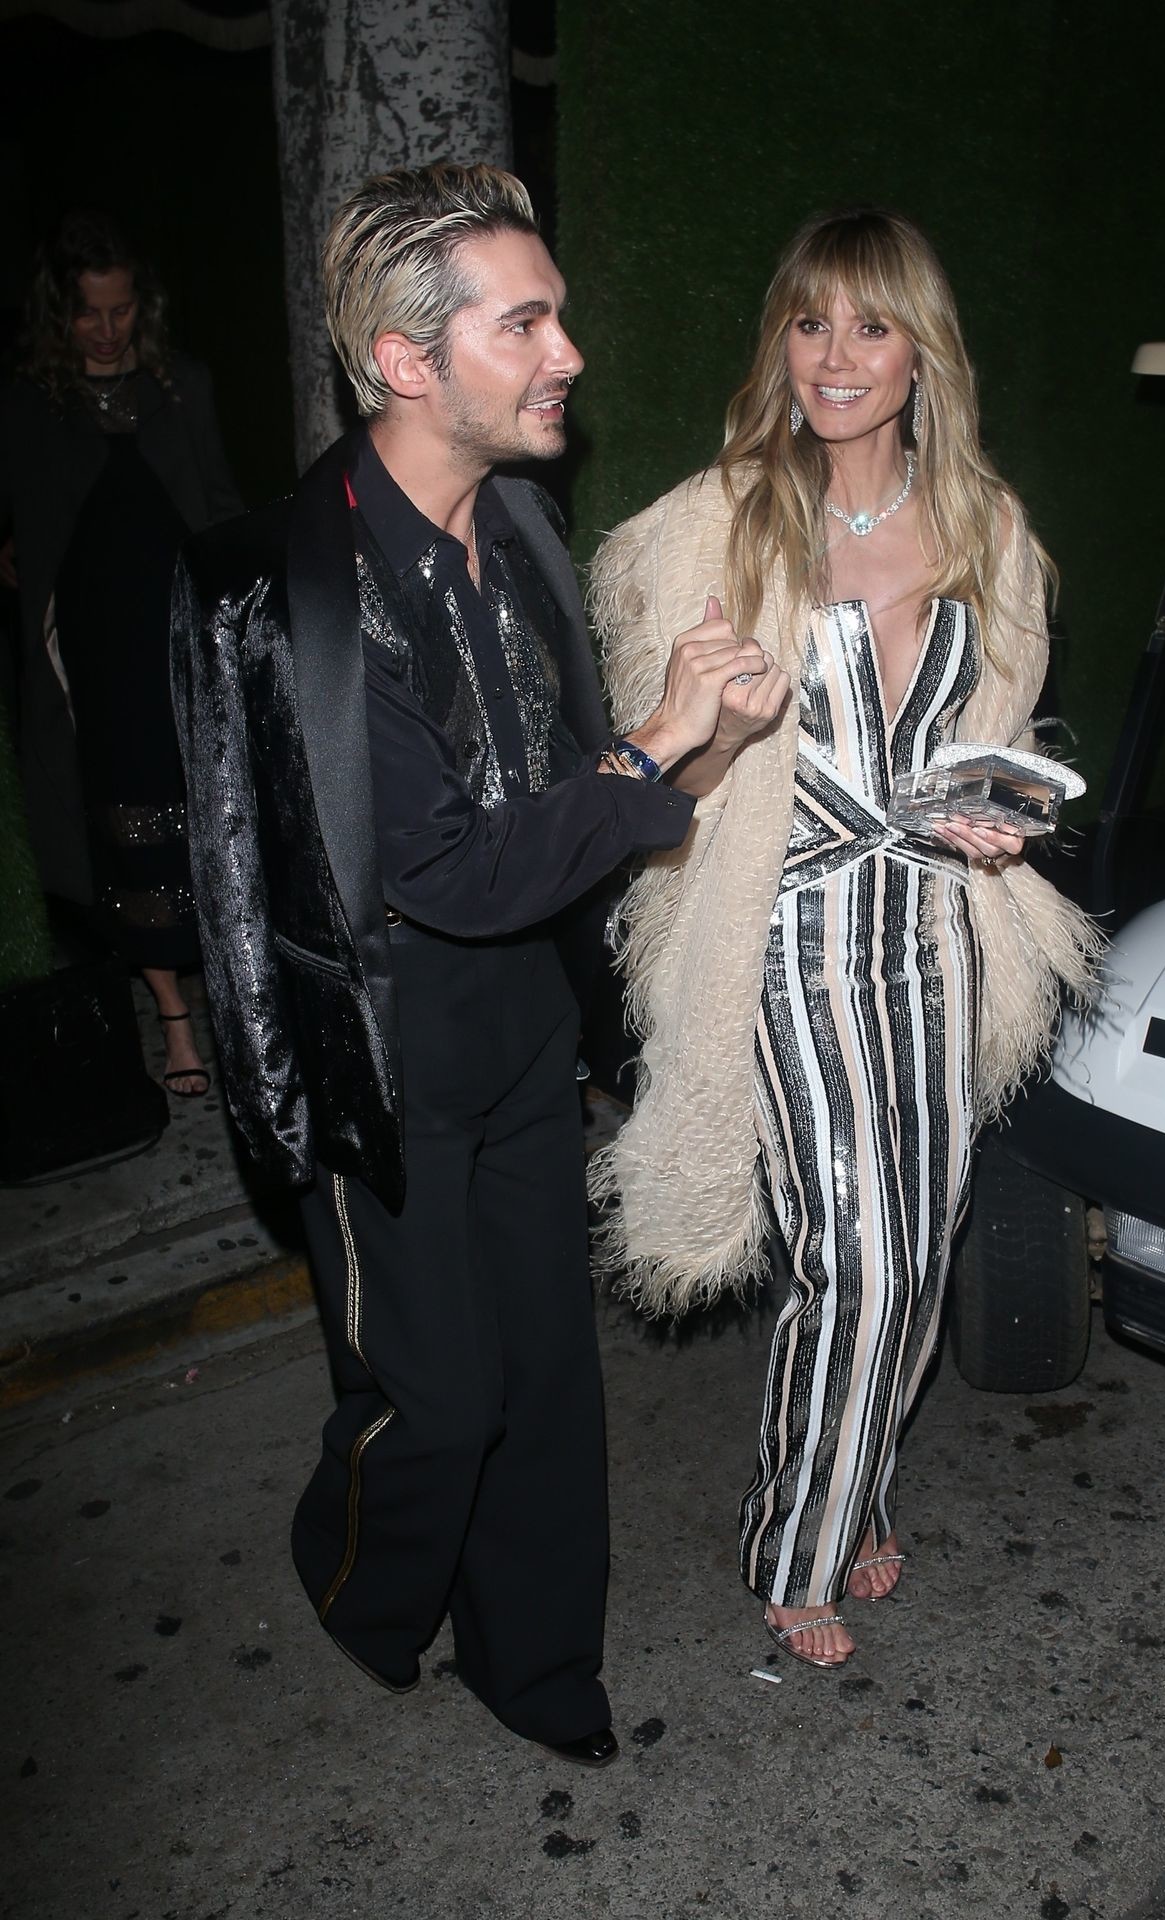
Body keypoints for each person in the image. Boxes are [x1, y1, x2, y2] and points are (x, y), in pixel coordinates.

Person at [168, 164, 779, 1762]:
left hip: (521, 1027)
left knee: (549, 1374)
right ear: (406, 359)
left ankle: (536, 1660)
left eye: (555, 314)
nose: (569, 352)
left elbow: (568, 809)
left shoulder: (516, 525)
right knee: (434, 1401)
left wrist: (703, 743)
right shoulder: (303, 591)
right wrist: (655, 742)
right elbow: (440, 870)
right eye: (526, 324)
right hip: (384, 1058)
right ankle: (359, 1578)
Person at [588, 207, 1101, 1669]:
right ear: (781, 344)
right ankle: (796, 1542)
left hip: (932, 926)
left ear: (920, 353)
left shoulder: (990, 530)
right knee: (856, 1256)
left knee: (919, 1245)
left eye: (870, 326)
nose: (834, 356)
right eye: (809, 323)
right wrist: (707, 724)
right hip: (782, 927)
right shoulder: (711, 525)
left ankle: (857, 1478)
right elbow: (664, 786)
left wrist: (995, 817)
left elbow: (994, 742)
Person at [0, 211, 242, 1093]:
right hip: (97, 656)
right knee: (126, 821)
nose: (107, 329)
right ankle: (173, 1015)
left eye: (121, 309)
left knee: (211, 810)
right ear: (58, 315)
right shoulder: (33, 404)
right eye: (87, 313)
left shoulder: (182, 385)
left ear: (144, 304)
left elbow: (217, 502)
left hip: (180, 637)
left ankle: (233, 993)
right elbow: (34, 522)